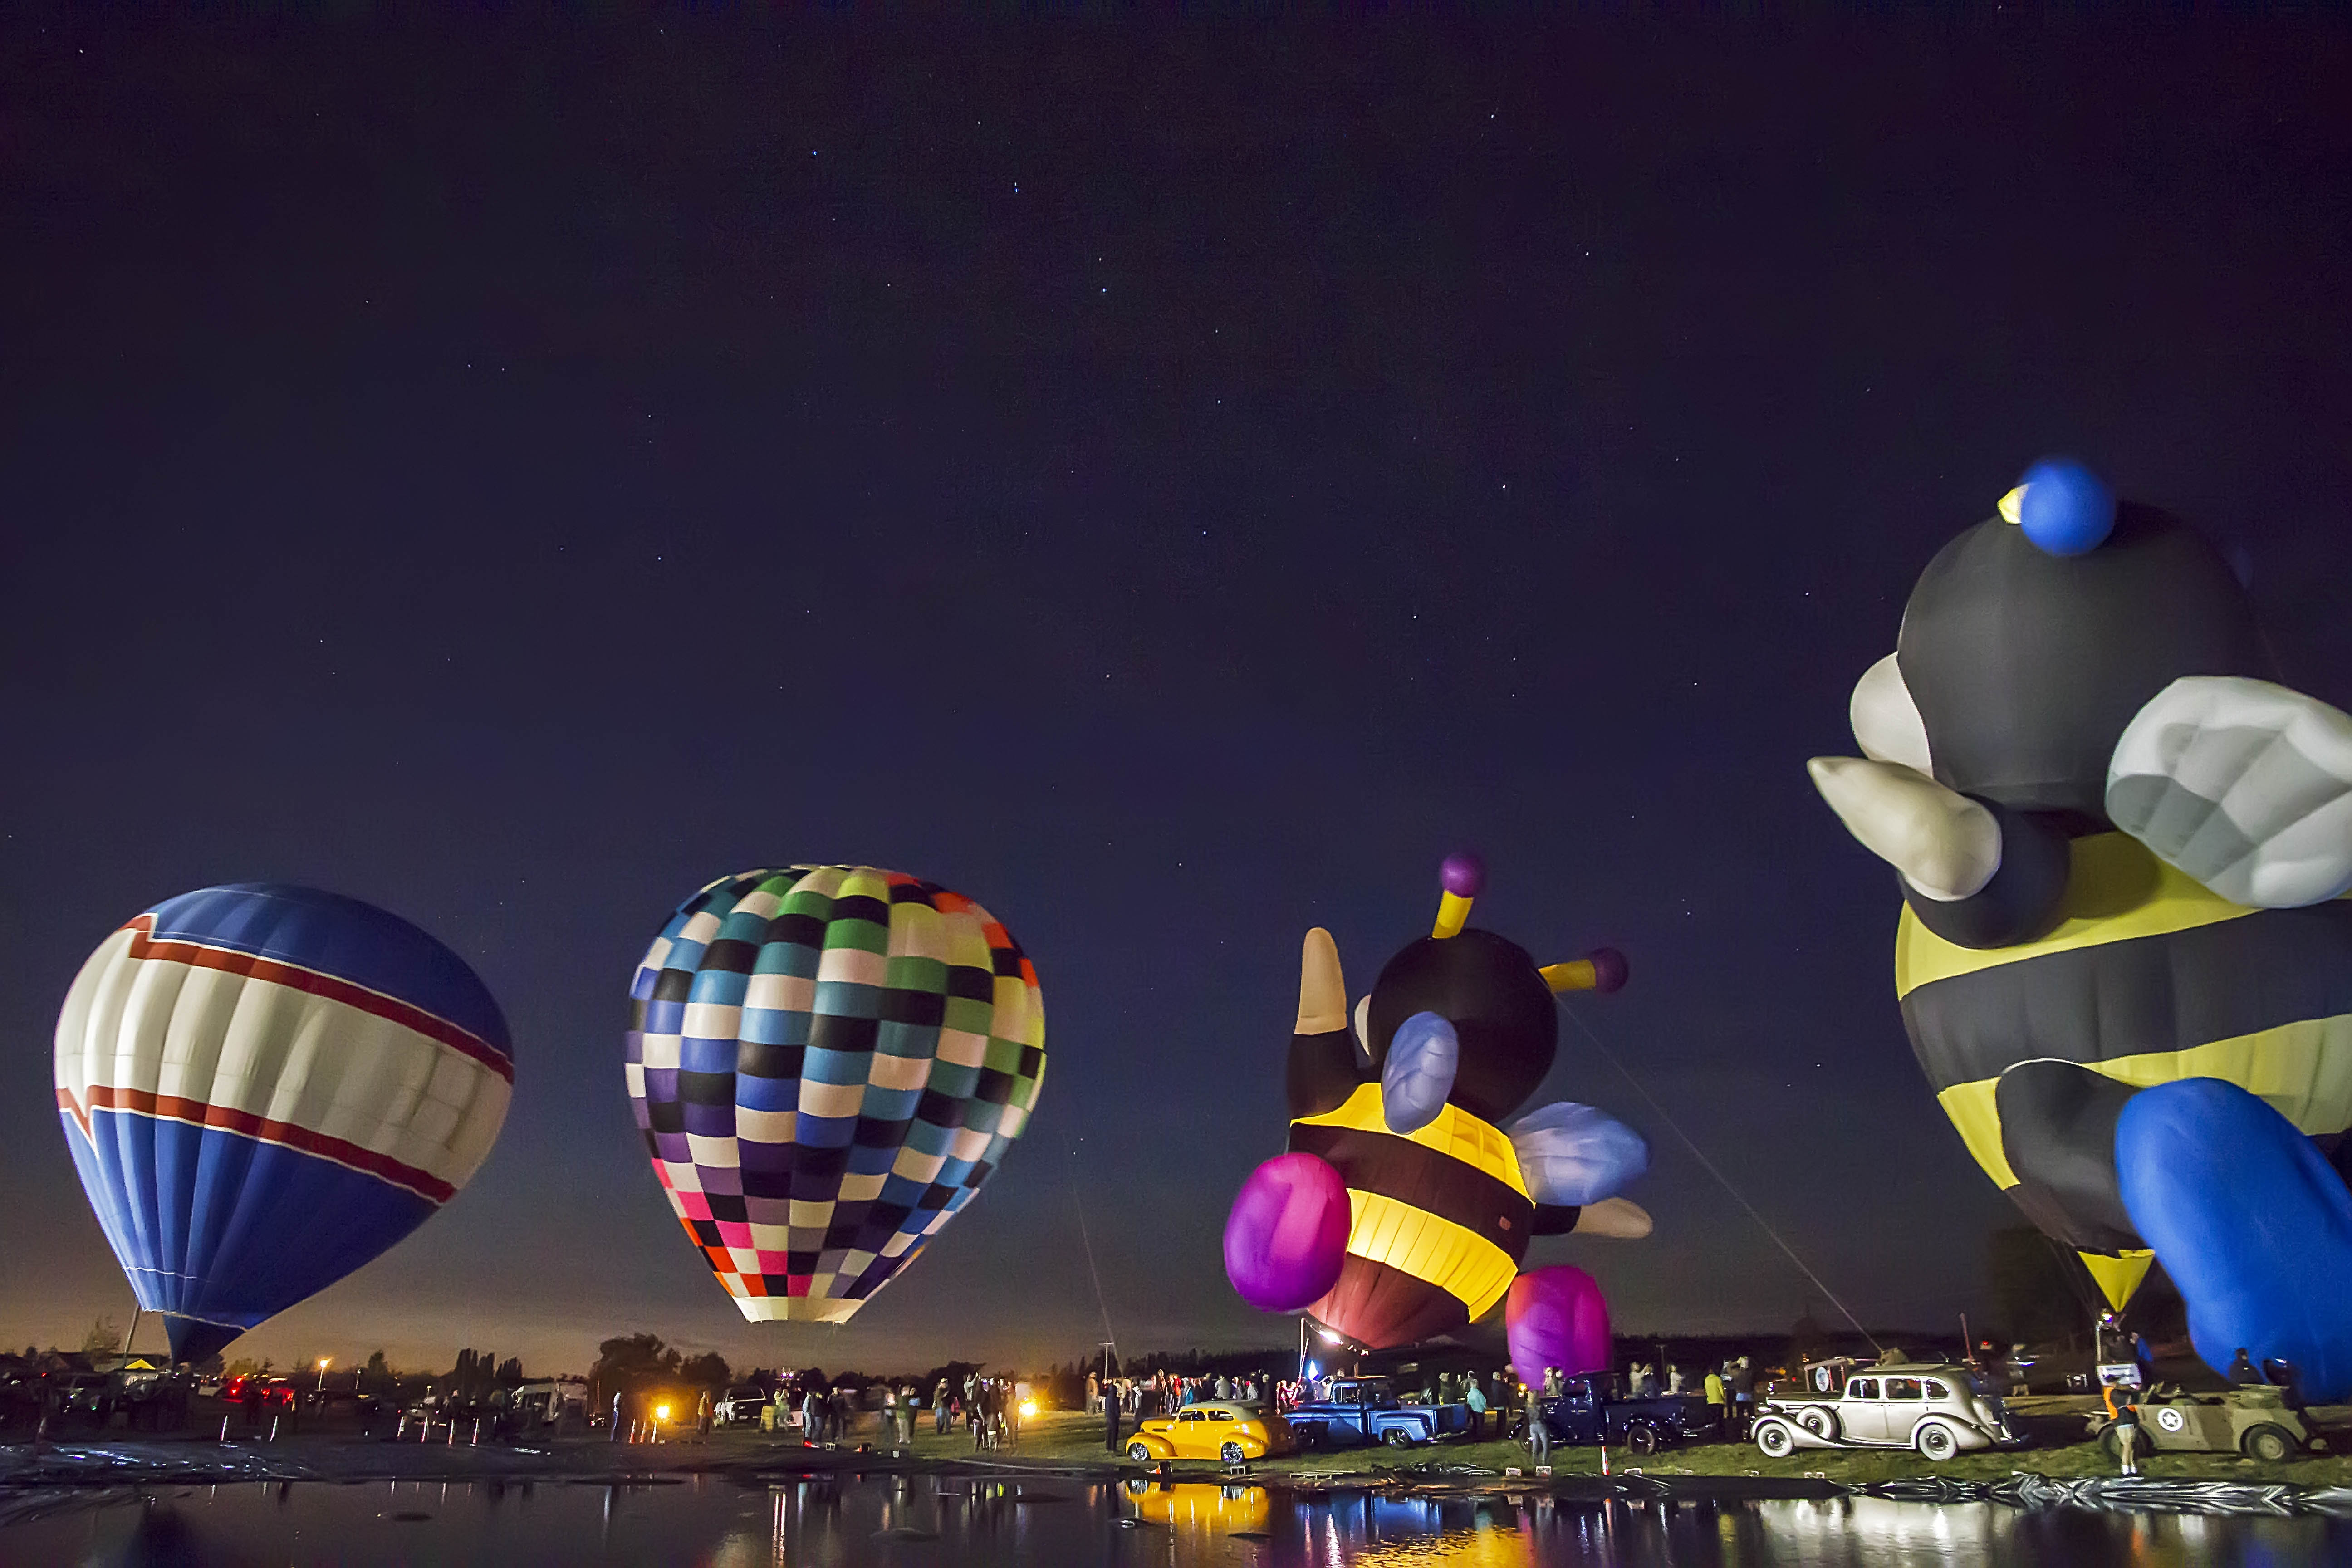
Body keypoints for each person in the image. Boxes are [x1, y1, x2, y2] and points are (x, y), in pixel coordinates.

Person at [1523, 1378, 1551, 1469]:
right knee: (1545, 1443)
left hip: (1532, 1426)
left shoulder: (1528, 1405)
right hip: (1540, 1425)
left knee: (1535, 1444)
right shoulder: (1539, 1405)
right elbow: (1544, 1416)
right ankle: (1545, 1462)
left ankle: (1534, 1462)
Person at [2112, 1398, 2142, 1476]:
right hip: (2125, 1420)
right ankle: (2126, 1469)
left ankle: (2131, 1468)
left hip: (2125, 1420)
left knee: (2130, 1446)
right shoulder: (2117, 1395)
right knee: (2128, 1445)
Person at [1703, 1367, 1727, 1439]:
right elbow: (1721, 1389)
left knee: (1712, 1419)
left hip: (1710, 1401)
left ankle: (1713, 1433)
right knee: (1719, 1419)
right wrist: (1724, 1397)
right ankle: (1720, 1434)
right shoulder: (1717, 1379)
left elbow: (1706, 1390)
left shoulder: (1706, 1379)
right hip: (1718, 1401)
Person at [1465, 1374, 1489, 1438]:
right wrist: (1485, 1407)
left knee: (1475, 1423)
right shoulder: (1478, 1393)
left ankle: (1474, 1435)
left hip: (1473, 1410)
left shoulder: (1469, 1393)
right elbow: (1483, 1401)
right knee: (1480, 1425)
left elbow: (1469, 1402)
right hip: (1479, 1410)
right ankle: (1479, 1436)